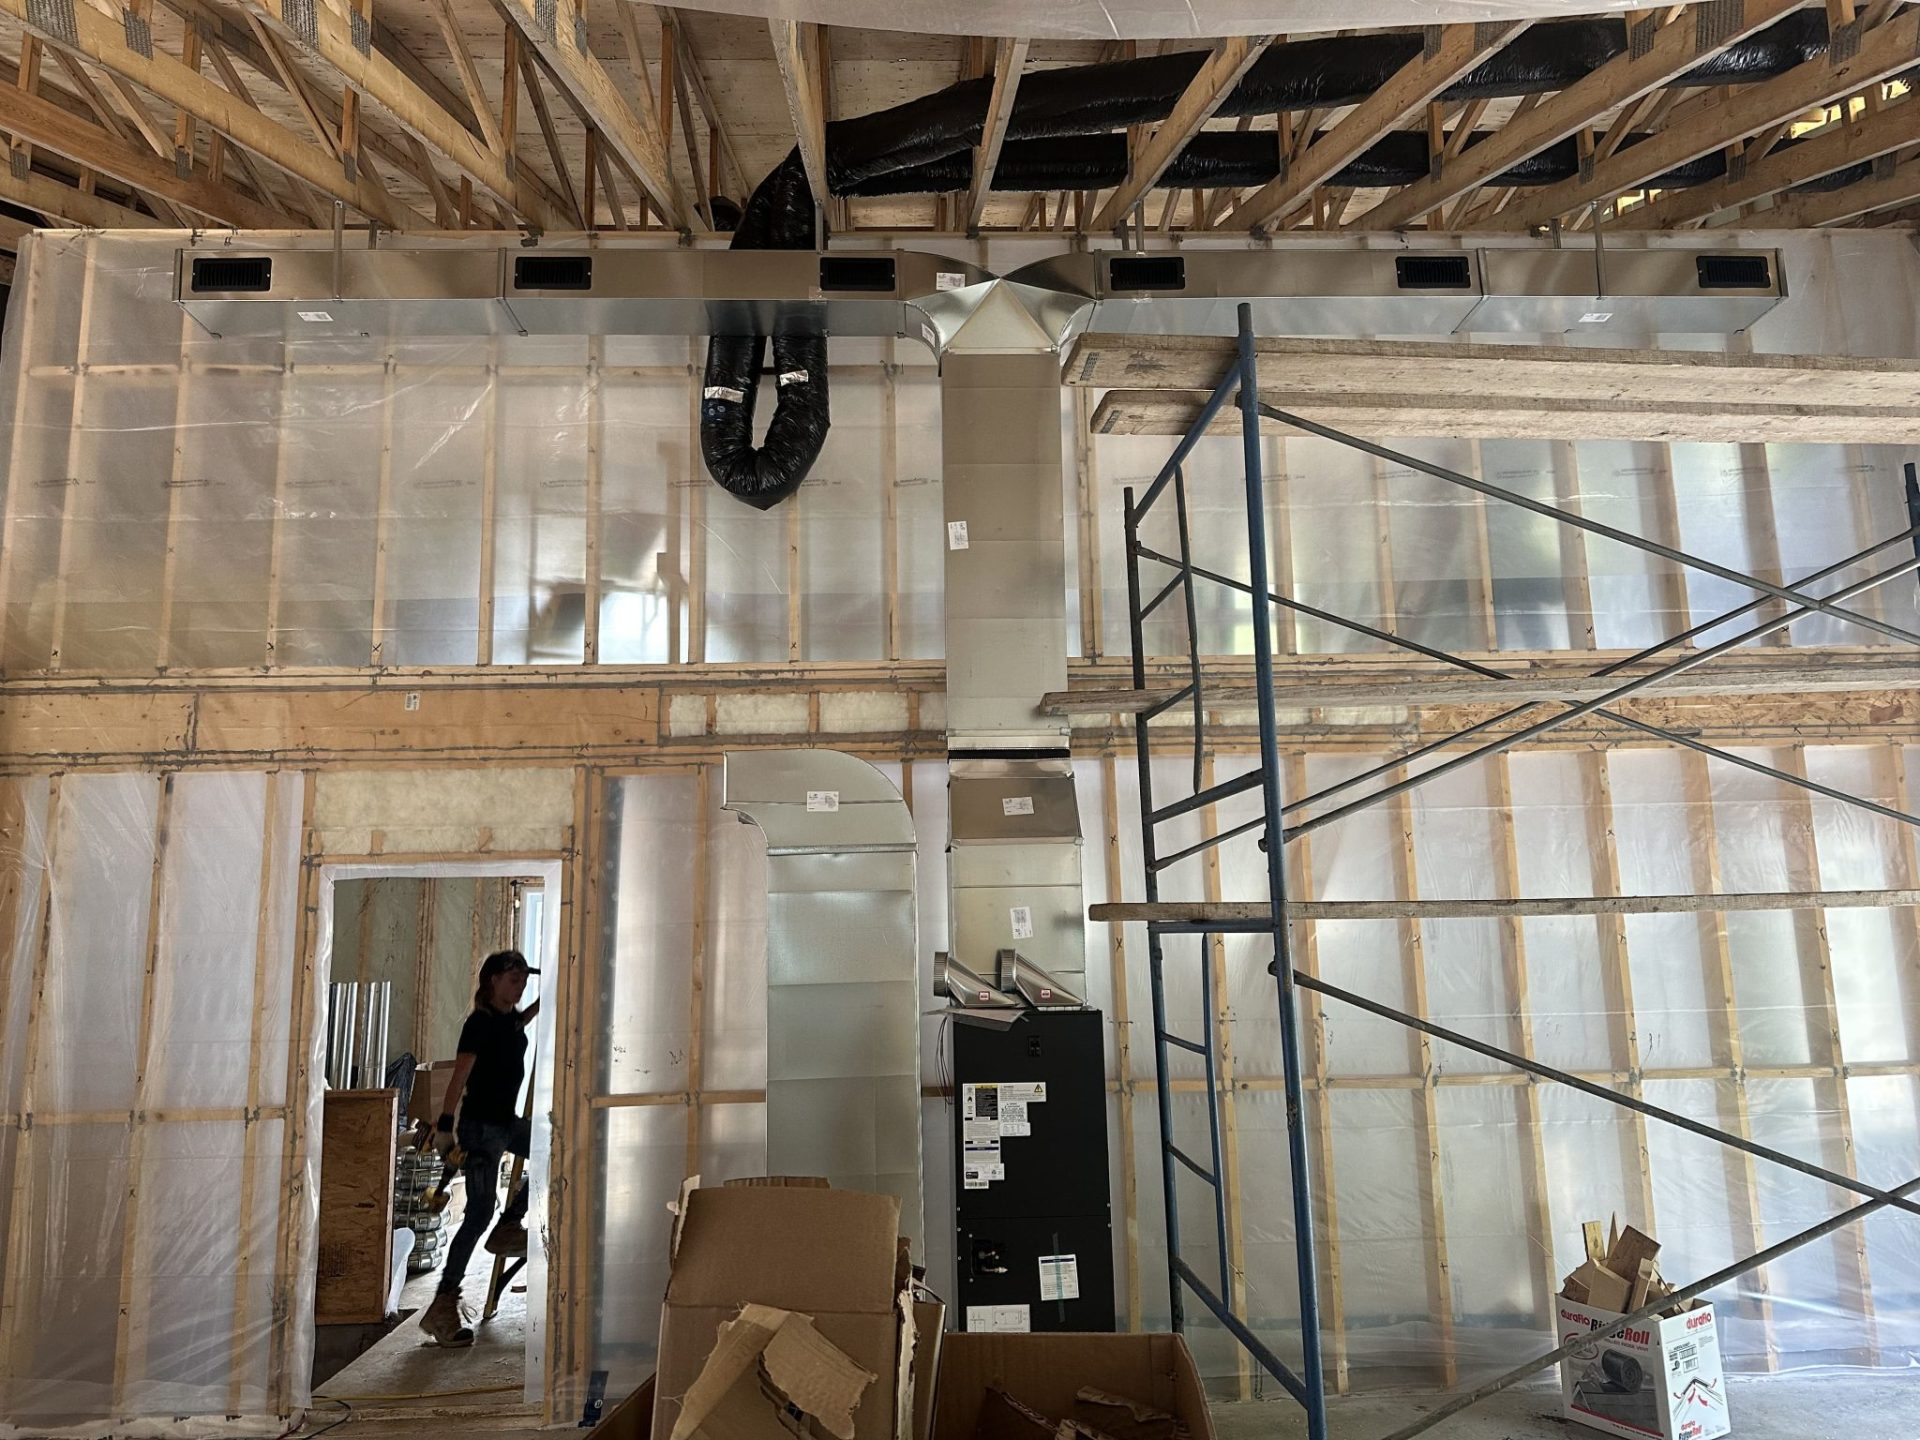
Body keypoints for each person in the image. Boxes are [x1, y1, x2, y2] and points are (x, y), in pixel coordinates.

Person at [419, 948, 541, 1347]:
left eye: (524, 981)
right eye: (514, 980)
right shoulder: (479, 1023)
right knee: (476, 1215)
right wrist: (445, 1126)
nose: (520, 987)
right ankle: (442, 1304)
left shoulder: (509, 1020)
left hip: (506, 1124)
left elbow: (519, 1023)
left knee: (552, 1150)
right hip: (480, 1128)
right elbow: (459, 1077)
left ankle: (509, 1225)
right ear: (493, 980)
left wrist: (552, 996)